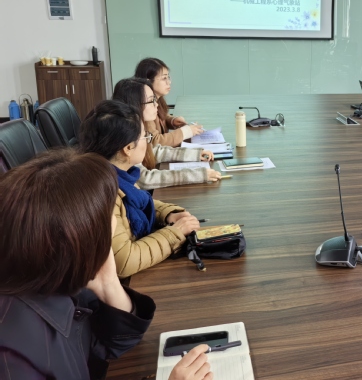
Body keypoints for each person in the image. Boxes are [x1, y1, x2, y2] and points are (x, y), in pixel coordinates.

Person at [0, 149, 212, 380]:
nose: (115, 223)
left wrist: (108, 283)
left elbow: (110, 348)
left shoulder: (64, 283)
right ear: (82, 235)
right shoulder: (14, 360)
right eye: (110, 214)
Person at [80, 100, 201, 278]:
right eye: (145, 137)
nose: (148, 142)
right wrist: (175, 233)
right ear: (128, 149)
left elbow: (139, 201)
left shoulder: (115, 173)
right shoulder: (103, 193)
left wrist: (167, 213)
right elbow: (125, 261)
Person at [113, 77, 222, 189]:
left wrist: (195, 154)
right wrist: (197, 175)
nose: (156, 105)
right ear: (134, 104)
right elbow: (144, 179)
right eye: (151, 101)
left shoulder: (137, 125)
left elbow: (153, 151)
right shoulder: (125, 134)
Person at [135, 57, 204, 147]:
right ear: (148, 81)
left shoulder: (156, 100)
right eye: (164, 78)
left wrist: (172, 121)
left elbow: (160, 116)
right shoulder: (145, 108)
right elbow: (155, 142)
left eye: (168, 77)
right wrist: (186, 132)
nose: (169, 82)